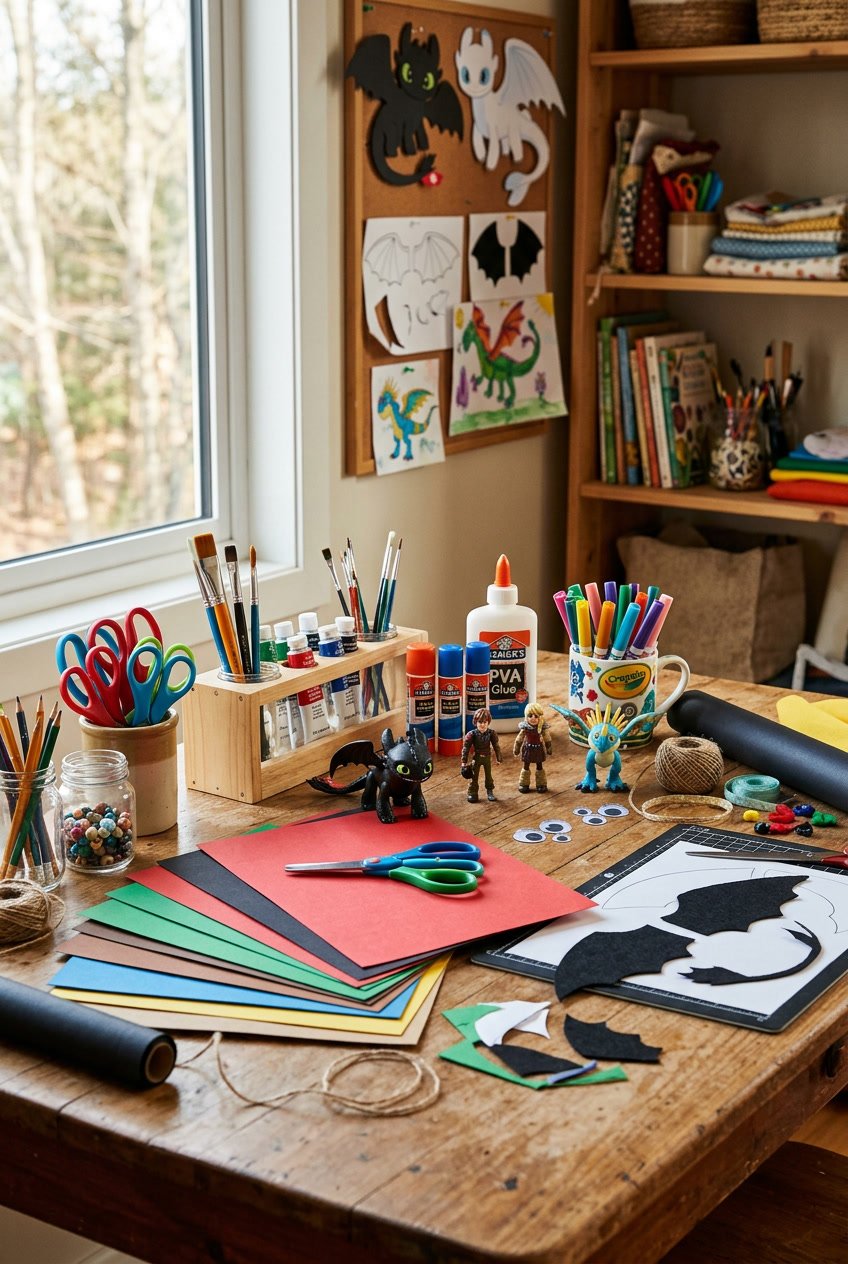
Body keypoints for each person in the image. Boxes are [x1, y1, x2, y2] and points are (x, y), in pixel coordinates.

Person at [460, 707, 502, 803]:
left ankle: (490, 792)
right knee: (473, 777)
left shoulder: (492, 733)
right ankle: (472, 793)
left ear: (488, 722)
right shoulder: (472, 734)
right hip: (477, 757)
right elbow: (465, 748)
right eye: (480, 722)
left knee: (489, 776)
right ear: (476, 722)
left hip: (487, 758)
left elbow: (496, 746)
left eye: (485, 722)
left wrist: (499, 758)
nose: (482, 724)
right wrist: (464, 762)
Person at [513, 702, 552, 793]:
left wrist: (549, 746)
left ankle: (541, 784)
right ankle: (524, 784)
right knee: (526, 766)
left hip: (538, 749)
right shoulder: (525, 728)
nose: (533, 718)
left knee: (539, 766)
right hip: (528, 749)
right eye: (530, 716)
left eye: (536, 716)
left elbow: (547, 737)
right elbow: (519, 738)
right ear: (526, 717)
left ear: (540, 717)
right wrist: (517, 748)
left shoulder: (542, 728)